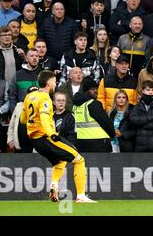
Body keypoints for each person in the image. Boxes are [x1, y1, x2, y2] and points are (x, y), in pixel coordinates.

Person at [20, 70, 96, 203]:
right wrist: (52, 134)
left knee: (60, 160)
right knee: (79, 160)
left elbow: (22, 119)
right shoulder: (45, 98)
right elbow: (44, 119)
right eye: (54, 81)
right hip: (46, 137)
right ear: (49, 82)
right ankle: (81, 195)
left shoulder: (29, 97)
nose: (55, 84)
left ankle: (54, 186)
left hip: (35, 141)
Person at [72, 76, 116, 152]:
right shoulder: (93, 103)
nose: (96, 91)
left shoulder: (75, 106)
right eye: (92, 89)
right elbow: (105, 122)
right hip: (99, 142)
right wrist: (113, 133)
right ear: (86, 91)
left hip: (81, 142)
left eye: (96, 88)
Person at [129, 79, 153, 152]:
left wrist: (140, 124)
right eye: (148, 90)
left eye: (152, 90)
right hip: (140, 146)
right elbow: (132, 119)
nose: (150, 92)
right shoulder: (137, 107)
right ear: (142, 91)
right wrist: (150, 118)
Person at [9, 48, 41, 113]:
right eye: (32, 56)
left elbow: (51, 94)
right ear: (26, 58)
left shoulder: (44, 74)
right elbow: (12, 96)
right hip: (23, 114)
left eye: (37, 56)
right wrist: (15, 113)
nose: (35, 58)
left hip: (41, 113)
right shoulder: (18, 75)